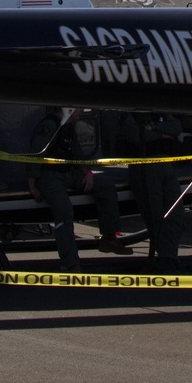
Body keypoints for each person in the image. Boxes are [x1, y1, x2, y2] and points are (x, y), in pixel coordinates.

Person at [28, 107, 125, 266]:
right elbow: (35, 155)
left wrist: (89, 174)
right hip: (49, 176)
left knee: (106, 186)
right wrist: (32, 185)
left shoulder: (68, 128)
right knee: (65, 213)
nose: (80, 113)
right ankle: (70, 263)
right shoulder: (50, 126)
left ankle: (109, 238)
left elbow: (78, 155)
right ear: (68, 110)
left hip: (68, 173)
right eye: (78, 109)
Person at [115, 112, 187, 263]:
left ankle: (169, 256)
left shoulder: (159, 112)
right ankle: (166, 259)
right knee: (155, 216)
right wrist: (161, 135)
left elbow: (176, 127)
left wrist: (153, 129)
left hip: (167, 165)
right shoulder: (130, 114)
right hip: (145, 167)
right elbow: (136, 136)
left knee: (176, 213)